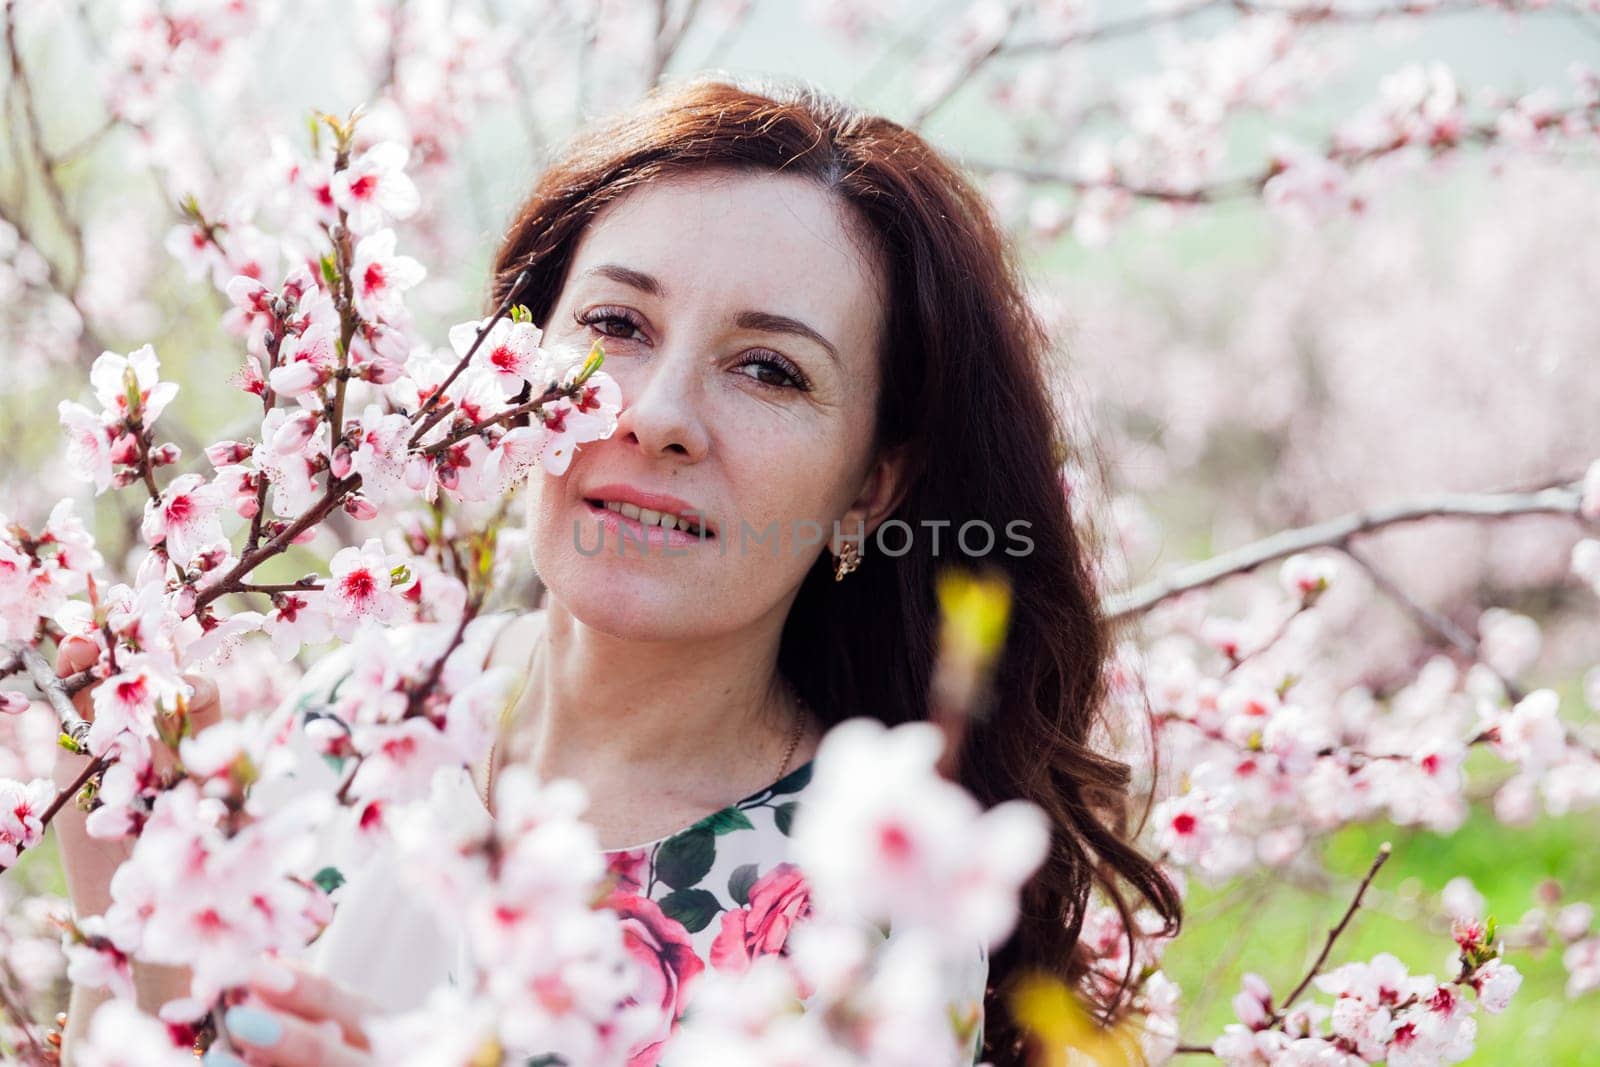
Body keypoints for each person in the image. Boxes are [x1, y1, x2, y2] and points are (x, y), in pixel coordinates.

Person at [52, 72, 1181, 1066]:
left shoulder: (871, 916)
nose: (658, 416)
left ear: (870, 486)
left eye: (770, 370)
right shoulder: (348, 713)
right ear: (503, 370)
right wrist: (126, 904)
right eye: (614, 323)